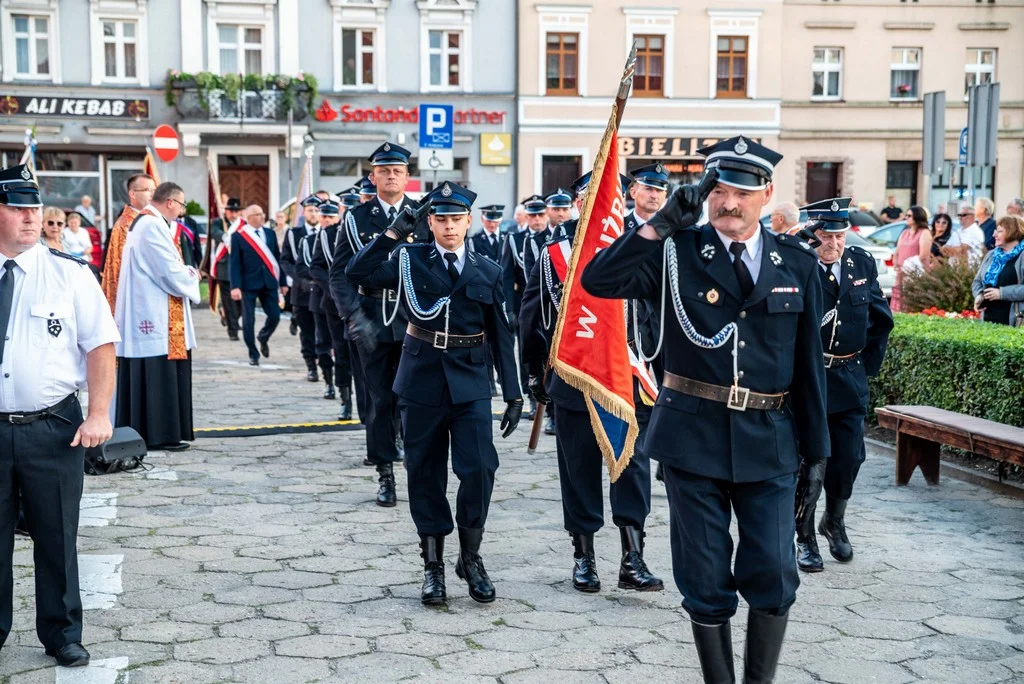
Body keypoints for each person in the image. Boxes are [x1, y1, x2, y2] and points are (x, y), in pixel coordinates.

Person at [581, 136, 828, 684]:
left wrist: (817, 455)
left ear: (766, 193)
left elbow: (809, 366)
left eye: (741, 192)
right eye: (718, 191)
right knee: (706, 574)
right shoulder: (675, 251)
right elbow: (597, 280)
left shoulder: (797, 263)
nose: (729, 204)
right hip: (692, 438)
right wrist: (659, 223)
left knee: (773, 569)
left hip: (770, 438)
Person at [347, 181, 523, 606]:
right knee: (425, 472)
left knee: (480, 468)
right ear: (429, 221)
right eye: (440, 219)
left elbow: (502, 335)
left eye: (455, 219)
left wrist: (514, 392)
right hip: (422, 379)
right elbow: (358, 274)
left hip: (470, 380)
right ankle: (433, 566)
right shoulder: (408, 259)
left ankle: (471, 557)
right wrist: (392, 233)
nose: (448, 227)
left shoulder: (488, 269)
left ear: (468, 222)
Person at [520, 172, 664, 597]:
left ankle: (632, 557)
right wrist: (534, 374)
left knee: (632, 468)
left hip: (629, 377)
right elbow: (534, 315)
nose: (603, 205)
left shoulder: (644, 245)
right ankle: (584, 555)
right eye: (593, 197)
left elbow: (660, 314)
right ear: (580, 202)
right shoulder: (558, 252)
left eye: (612, 197)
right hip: (575, 378)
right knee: (579, 469)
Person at [0, 165, 118, 668]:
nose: (31, 218)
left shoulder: (68, 273)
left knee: (56, 535)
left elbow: (100, 346)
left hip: (52, 427)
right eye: (18, 209)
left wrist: (98, 414)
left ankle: (62, 632)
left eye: (35, 208)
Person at [792, 198, 893, 574]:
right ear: (811, 234)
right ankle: (804, 537)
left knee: (849, 457)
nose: (833, 242)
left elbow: (880, 319)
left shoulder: (860, 263)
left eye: (839, 234)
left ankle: (833, 521)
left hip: (848, 377)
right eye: (824, 234)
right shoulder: (797, 265)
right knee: (812, 460)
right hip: (810, 379)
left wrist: (865, 367)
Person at [329, 142, 430, 507]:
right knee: (378, 400)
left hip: (413, 319)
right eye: (384, 170)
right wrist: (353, 316)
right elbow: (339, 274)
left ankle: (413, 461)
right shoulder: (356, 219)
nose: (391, 176)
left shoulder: (423, 216)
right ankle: (384, 472)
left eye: (397, 171)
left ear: (407, 177)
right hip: (370, 318)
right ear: (373, 177)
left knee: (412, 397)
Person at [114, 182, 200, 451]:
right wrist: (191, 274)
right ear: (171, 202)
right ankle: (160, 434)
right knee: (158, 370)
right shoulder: (151, 225)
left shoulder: (147, 222)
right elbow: (167, 271)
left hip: (151, 307)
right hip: (152, 313)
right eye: (182, 205)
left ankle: (158, 431)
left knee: (158, 369)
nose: (182, 211)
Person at [309, 200, 356, 420]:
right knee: (341, 351)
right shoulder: (327, 235)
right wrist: (334, 290)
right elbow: (316, 266)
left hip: (364, 303)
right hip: (334, 303)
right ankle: (345, 399)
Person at [501, 194, 546, 418]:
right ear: (525, 217)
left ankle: (551, 401)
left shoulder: (556, 237)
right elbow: (507, 277)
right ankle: (530, 396)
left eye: (540, 214)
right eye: (532, 215)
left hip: (550, 305)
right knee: (526, 352)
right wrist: (508, 308)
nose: (537, 219)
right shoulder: (515, 240)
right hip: (524, 305)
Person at [229, 205, 286, 366]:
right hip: (248, 284)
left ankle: (263, 336)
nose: (263, 216)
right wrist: (235, 286)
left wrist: (282, 283)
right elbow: (235, 264)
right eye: (259, 214)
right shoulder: (239, 236)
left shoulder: (270, 233)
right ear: (249, 217)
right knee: (248, 321)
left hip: (268, 282)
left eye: (263, 213)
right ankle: (253, 353)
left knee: (275, 315)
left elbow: (277, 259)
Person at [101, 174, 155, 313]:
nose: (152, 194)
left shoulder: (146, 218)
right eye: (147, 190)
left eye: (154, 190)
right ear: (133, 193)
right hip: (132, 294)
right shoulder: (126, 224)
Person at [280, 196, 321, 382]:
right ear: (303, 213)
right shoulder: (293, 233)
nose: (313, 213)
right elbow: (286, 260)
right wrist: (298, 279)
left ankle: (325, 362)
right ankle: (311, 365)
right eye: (310, 210)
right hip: (302, 291)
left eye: (316, 210)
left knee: (323, 330)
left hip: (323, 291)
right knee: (307, 331)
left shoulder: (328, 232)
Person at [469, 204, 506, 396]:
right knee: (484, 342)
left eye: (496, 220)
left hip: (503, 296)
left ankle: (504, 377)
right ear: (483, 219)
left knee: (504, 340)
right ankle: (489, 380)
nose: (492, 224)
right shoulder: (475, 241)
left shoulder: (507, 239)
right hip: (484, 296)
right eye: (489, 220)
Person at [973, 215, 1024, 326]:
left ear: (1012, 233)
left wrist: (1002, 293)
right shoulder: (991, 255)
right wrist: (979, 295)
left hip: (1014, 321)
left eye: (999, 231)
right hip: (987, 320)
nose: (994, 235)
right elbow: (977, 281)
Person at [208, 198, 244, 341]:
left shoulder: (242, 224)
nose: (233, 214)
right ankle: (233, 330)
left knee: (241, 303)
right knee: (229, 303)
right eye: (231, 211)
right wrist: (224, 236)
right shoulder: (218, 222)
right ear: (226, 211)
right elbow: (214, 232)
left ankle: (231, 318)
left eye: (236, 211)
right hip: (224, 268)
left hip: (240, 269)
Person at [890, 206, 932, 312]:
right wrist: (895, 263)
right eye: (906, 215)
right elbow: (897, 251)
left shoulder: (924, 232)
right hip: (900, 273)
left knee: (911, 304)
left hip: (915, 273)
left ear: (917, 217)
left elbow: (923, 255)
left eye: (909, 216)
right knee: (898, 304)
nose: (906, 217)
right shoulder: (905, 233)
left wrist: (906, 267)